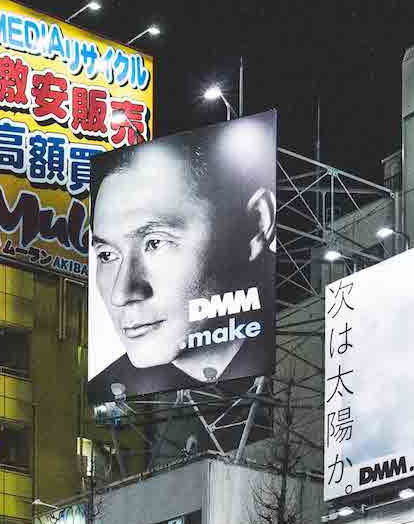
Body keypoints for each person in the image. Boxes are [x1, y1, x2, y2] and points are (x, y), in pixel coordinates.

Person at [85, 115, 275, 400]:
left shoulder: (293, 352)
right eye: (107, 254)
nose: (121, 293)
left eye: (155, 242)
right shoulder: (109, 388)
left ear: (257, 223)